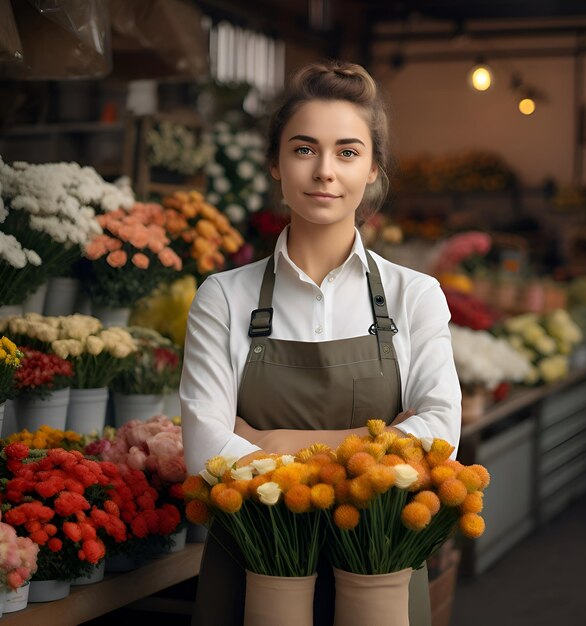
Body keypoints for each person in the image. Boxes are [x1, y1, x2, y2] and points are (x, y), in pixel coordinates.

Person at [180, 59, 462, 626]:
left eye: (348, 152)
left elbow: (438, 442)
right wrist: (373, 443)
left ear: (373, 169)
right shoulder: (223, 297)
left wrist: (273, 440)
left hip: (378, 571)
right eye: (304, 149)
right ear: (275, 165)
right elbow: (205, 452)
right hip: (250, 574)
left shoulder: (416, 295)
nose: (325, 171)